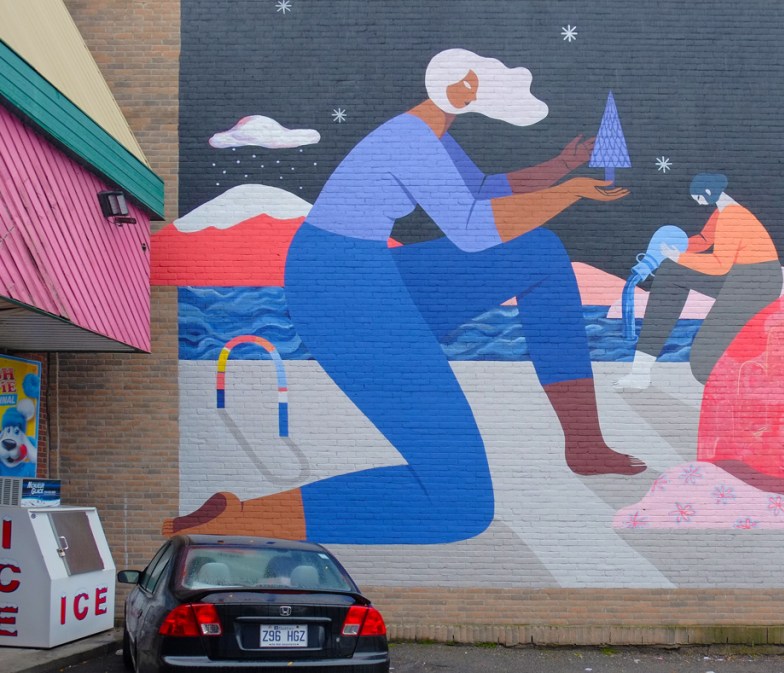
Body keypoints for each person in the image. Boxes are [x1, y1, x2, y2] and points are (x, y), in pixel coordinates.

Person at [164, 48, 645, 545]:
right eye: (489, 81)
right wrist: (570, 193)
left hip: (361, 269)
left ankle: (584, 443)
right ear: (461, 88)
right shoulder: (410, 139)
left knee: (539, 253)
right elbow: (473, 230)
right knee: (461, 504)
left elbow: (480, 189)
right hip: (344, 294)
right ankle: (238, 518)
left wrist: (560, 167)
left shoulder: (429, 131)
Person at [615, 173, 782, 389]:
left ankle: (752, 380)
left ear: (709, 193)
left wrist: (679, 257)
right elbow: (704, 240)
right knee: (670, 272)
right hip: (739, 275)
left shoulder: (732, 217)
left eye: (699, 198)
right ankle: (640, 372)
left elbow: (719, 264)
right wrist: (669, 251)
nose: (698, 203)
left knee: (704, 365)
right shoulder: (721, 213)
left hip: (757, 283)